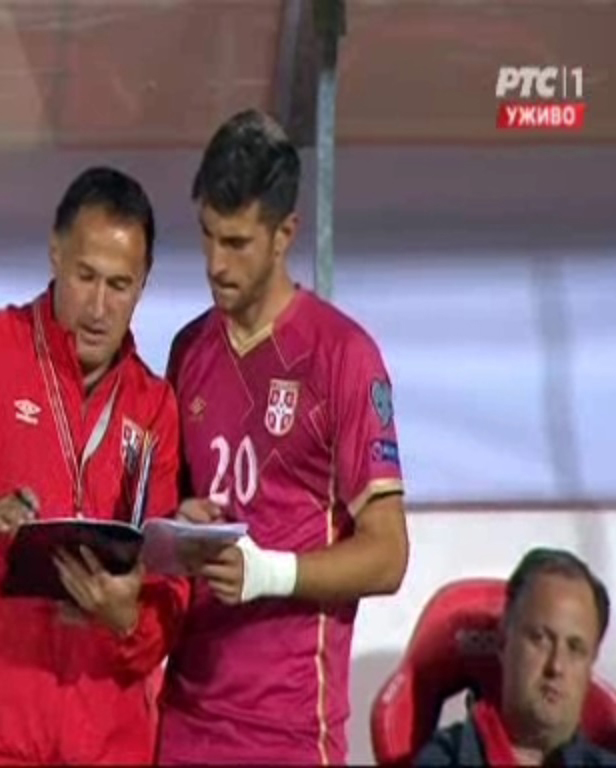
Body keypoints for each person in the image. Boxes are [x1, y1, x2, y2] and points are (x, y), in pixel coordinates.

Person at [0, 167, 189, 765]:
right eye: (85, 276)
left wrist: (126, 617)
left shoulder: (154, 405)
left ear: (145, 282)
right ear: (55, 252)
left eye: (120, 285)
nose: (98, 307)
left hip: (109, 742)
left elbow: (167, 591)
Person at [157, 109, 410, 765]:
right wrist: (180, 522)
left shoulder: (343, 356)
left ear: (286, 234)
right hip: (183, 722)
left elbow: (388, 556)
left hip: (290, 733)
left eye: (237, 242)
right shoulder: (188, 351)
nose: (215, 263)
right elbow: (170, 514)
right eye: (207, 235)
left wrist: (267, 572)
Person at [414, 548, 616, 767]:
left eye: (575, 648)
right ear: (503, 640)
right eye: (540, 639)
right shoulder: (443, 759)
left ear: (592, 662)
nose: (556, 666)